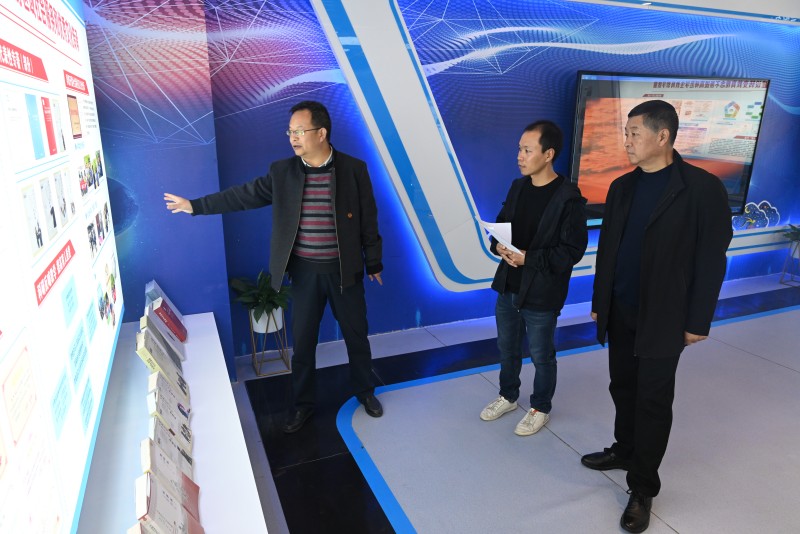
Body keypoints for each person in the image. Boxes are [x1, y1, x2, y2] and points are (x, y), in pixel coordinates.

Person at [164, 100, 384, 433]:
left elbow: (369, 217)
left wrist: (374, 261)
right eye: (290, 131)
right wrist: (195, 206)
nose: (293, 138)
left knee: (357, 337)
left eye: (300, 131)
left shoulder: (354, 169)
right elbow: (243, 195)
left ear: (321, 133)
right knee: (303, 344)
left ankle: (365, 392)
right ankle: (303, 405)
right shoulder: (283, 173)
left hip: (344, 272)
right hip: (305, 273)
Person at [581, 100, 732, 533]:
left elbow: (711, 259)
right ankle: (625, 449)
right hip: (621, 308)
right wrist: (600, 300)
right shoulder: (622, 187)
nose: (626, 141)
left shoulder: (701, 188)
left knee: (652, 399)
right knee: (622, 385)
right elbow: (608, 250)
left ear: (662, 136)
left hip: (666, 314)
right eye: (626, 133)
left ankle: (643, 486)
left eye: (634, 133)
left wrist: (698, 320)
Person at [480, 120, 588, 436]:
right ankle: (508, 396)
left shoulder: (568, 198)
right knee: (507, 347)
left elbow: (571, 251)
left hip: (542, 292)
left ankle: (540, 407)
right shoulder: (518, 187)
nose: (520, 156)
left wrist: (529, 258)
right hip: (508, 286)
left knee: (542, 355)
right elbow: (500, 226)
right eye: (519, 149)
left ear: (548, 154)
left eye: (527, 150)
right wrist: (498, 245)